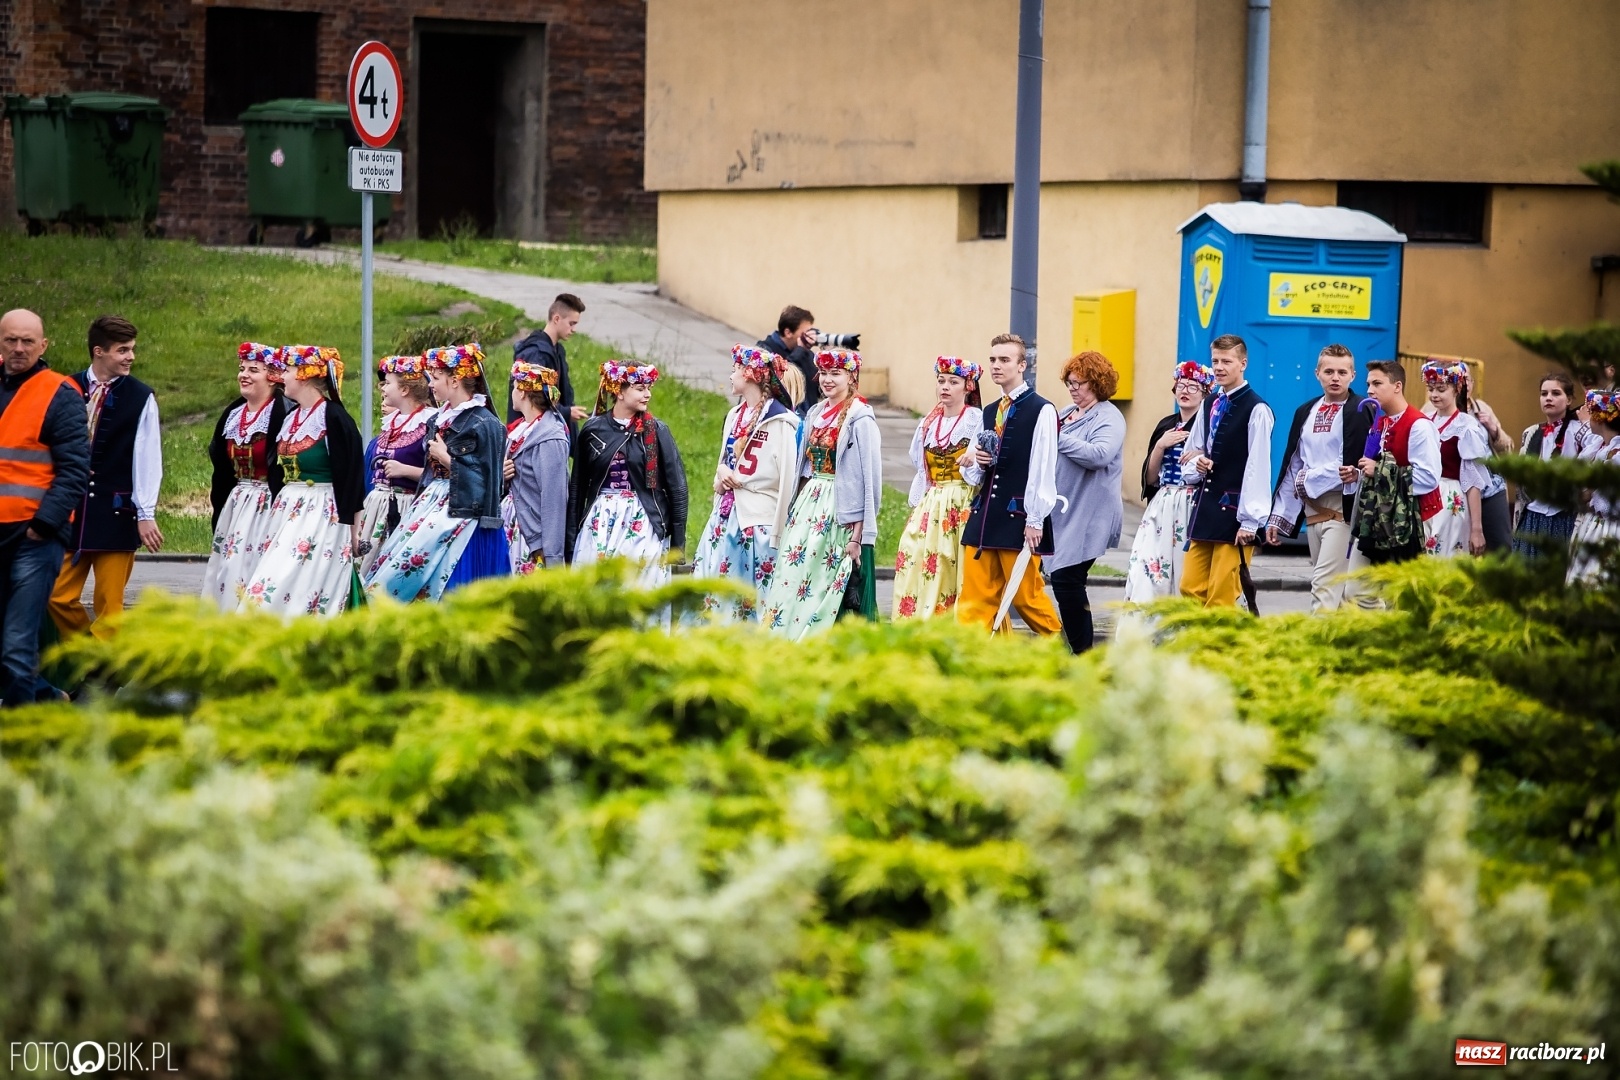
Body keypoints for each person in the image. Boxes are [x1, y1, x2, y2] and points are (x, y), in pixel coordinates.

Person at [48, 315, 163, 640]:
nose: (130, 357)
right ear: (99, 351)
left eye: (132, 349)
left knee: (110, 606)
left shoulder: (141, 397)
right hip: (71, 511)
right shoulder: (66, 388)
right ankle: (92, 656)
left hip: (118, 512)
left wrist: (146, 513)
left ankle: (99, 675)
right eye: (122, 350)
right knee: (56, 596)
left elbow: (147, 457)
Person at [367, 344, 510, 600]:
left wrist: (448, 459)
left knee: (442, 577)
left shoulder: (485, 423)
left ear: (455, 381)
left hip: (464, 513)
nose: (430, 384)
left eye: (435, 378)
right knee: (395, 569)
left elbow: (491, 483)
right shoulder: (438, 420)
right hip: (430, 501)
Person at [0, 309, 90, 706]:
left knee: (18, 645)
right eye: (10, 340)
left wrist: (44, 524)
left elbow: (75, 470)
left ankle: (25, 738)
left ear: (43, 345)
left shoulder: (59, 393)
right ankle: (49, 699)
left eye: (27, 342)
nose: (18, 348)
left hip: (33, 538)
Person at [762, 347, 882, 637]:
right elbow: (804, 465)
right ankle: (787, 635)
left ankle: (817, 639)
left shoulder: (861, 419)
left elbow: (870, 481)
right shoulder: (816, 413)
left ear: (851, 377)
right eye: (824, 374)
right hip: (810, 503)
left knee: (826, 581)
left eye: (836, 374)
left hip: (839, 510)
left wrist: (858, 535)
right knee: (796, 574)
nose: (828, 380)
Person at [239, 346, 366, 617]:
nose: (281, 376)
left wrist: (353, 528)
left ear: (305, 376)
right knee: (274, 575)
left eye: (287, 370)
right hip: (288, 510)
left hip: (322, 513)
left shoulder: (334, 417)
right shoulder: (291, 417)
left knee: (300, 580)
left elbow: (352, 474)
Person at [956, 333, 1063, 636]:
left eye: (1004, 360)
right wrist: (975, 460)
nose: (996, 366)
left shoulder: (1041, 410)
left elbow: (1043, 467)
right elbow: (978, 471)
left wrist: (1035, 519)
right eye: (992, 359)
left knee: (1025, 596)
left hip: (1019, 520)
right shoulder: (989, 411)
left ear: (1022, 365)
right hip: (985, 518)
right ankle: (972, 664)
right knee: (974, 601)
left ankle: (1060, 653)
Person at [1264, 344, 1377, 611]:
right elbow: (1294, 464)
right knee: (1338, 593)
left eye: (1341, 371)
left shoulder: (1361, 409)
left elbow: (1352, 464)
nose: (1335, 377)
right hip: (1312, 509)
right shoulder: (1306, 410)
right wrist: (1279, 516)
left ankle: (1315, 648)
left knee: (1324, 588)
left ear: (1352, 375)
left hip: (1343, 508)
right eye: (1329, 371)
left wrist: (1309, 479)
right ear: (1317, 374)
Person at [692, 345, 799, 620]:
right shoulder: (734, 416)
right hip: (726, 515)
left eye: (735, 370)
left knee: (750, 597)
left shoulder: (781, 422)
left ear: (750, 374)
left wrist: (779, 531)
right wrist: (721, 475)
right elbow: (724, 462)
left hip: (758, 521)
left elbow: (787, 478)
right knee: (713, 587)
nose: (730, 376)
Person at [569, 361, 689, 587]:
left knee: (638, 590)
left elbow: (678, 488)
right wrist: (570, 539)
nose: (648, 395)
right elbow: (578, 486)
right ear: (619, 391)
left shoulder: (656, 430)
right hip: (601, 520)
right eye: (640, 388)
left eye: (649, 388)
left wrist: (677, 546)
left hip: (643, 518)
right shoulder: (594, 429)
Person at [1178, 334, 1274, 610]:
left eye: (1226, 361)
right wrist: (1197, 464)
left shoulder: (1257, 409)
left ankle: (1217, 650)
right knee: (1190, 587)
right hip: (1206, 510)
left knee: (1221, 595)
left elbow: (1258, 467)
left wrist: (1250, 521)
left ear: (1242, 363)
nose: (1219, 367)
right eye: (1215, 361)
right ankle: (1202, 646)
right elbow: (1191, 451)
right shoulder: (1209, 404)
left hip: (1235, 514)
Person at [892, 356, 983, 621]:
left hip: (962, 500)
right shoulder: (928, 423)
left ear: (968, 387)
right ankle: (919, 619)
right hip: (933, 501)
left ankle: (954, 622)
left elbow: (986, 462)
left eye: (953, 382)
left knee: (953, 563)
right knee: (917, 556)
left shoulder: (976, 420)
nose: (945, 386)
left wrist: (974, 458)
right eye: (941, 381)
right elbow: (919, 462)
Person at [1047, 351, 1125, 653]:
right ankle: (1075, 648)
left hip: (1091, 513)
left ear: (1097, 382)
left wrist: (1056, 437)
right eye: (1069, 383)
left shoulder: (1109, 417)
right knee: (1064, 579)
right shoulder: (1068, 412)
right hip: (1066, 508)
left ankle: (1083, 653)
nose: (1072, 388)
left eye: (1079, 383)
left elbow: (1099, 454)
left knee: (1067, 578)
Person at [201, 341, 288, 611]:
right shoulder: (233, 414)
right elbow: (222, 466)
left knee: (256, 568)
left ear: (273, 378)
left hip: (267, 502)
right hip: (238, 502)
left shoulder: (284, 413)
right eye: (242, 369)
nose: (244, 375)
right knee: (228, 568)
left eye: (254, 369)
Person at [1124, 363, 1212, 603]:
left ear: (1205, 393)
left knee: (1185, 569)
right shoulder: (1166, 425)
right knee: (1146, 565)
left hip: (1192, 503)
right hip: (1163, 502)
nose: (1185, 391)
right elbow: (1151, 478)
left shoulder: (1209, 428)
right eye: (1181, 385)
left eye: (1193, 387)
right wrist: (1161, 445)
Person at [1351, 360, 1443, 567]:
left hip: (1410, 521)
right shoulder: (1381, 423)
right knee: (1359, 591)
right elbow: (1376, 472)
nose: (1370, 391)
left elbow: (1428, 478)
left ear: (1397, 386)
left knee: (1400, 593)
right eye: (1368, 385)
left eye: (1377, 384)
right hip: (1377, 518)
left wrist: (1380, 470)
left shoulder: (1419, 426)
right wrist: (1358, 474)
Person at [355, 354, 435, 578]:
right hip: (376, 508)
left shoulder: (430, 423)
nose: (382, 388)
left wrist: (405, 471)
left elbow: (444, 477)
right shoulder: (393, 422)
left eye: (387, 383)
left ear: (404, 390)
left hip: (405, 507)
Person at [503, 359, 571, 574]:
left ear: (522, 392)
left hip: (532, 538)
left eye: (514, 387)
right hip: (512, 525)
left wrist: (552, 557)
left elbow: (554, 499)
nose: (513, 392)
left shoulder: (550, 437)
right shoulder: (522, 429)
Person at [1420, 360, 1492, 558]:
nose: (1434, 395)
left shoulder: (1466, 426)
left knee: (1444, 559)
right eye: (1431, 388)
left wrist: (1477, 529)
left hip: (1449, 499)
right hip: (1422, 494)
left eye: (1441, 389)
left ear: (1457, 388)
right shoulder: (1424, 421)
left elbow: (1472, 481)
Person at [1512, 371, 1584, 558]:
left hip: (1564, 517)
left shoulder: (1580, 432)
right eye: (1544, 394)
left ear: (1569, 400)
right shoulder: (1532, 432)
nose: (1548, 398)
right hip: (1533, 515)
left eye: (1555, 393)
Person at [510, 293, 588, 432]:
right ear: (556, 318)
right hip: (531, 434)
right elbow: (532, 398)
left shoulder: (557, 350)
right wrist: (566, 412)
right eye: (571, 323)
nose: (574, 329)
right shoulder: (535, 354)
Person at [1567, 388, 1620, 585]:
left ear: (1599, 418)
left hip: (1609, 529)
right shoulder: (1601, 446)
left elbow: (1588, 494)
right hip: (1591, 526)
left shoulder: (1616, 456)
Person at [1460, 369, 1515, 552]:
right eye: (1459, 380)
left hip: (1491, 487)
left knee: (1501, 546)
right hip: (1459, 489)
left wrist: (1493, 429)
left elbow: (1508, 448)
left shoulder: (1482, 408)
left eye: (1467, 379)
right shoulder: (1432, 409)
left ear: (1473, 383)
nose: (1464, 384)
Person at [758, 304, 820, 415]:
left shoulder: (805, 352)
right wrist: (800, 351)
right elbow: (779, 378)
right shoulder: (765, 350)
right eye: (804, 333)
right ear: (788, 332)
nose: (808, 337)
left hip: (807, 416)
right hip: (782, 416)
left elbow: (817, 384)